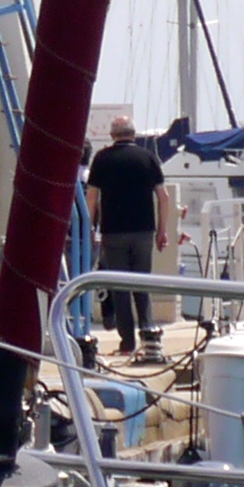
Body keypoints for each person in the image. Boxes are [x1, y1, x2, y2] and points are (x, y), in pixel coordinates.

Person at [86, 111, 168, 350]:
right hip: (144, 231)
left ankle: (127, 342)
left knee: (120, 287)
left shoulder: (102, 159)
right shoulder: (148, 157)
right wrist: (162, 231)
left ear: (112, 135)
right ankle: (148, 334)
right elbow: (163, 197)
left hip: (113, 232)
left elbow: (92, 198)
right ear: (133, 134)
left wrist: (91, 227)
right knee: (142, 283)